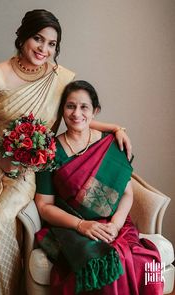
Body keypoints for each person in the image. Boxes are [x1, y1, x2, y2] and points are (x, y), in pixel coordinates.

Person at [0, 9, 132, 295]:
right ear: (23, 37)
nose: (44, 49)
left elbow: (76, 113)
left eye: (52, 44)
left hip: (29, 170)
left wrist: (115, 127)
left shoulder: (60, 78)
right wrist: (3, 162)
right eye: (38, 39)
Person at [35, 80, 163, 295]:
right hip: (70, 228)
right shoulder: (49, 152)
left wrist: (115, 224)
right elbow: (44, 205)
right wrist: (81, 225)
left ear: (95, 111)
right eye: (70, 106)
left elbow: (127, 193)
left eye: (84, 107)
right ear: (62, 110)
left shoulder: (112, 144)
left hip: (115, 225)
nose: (77, 113)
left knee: (139, 260)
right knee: (99, 263)